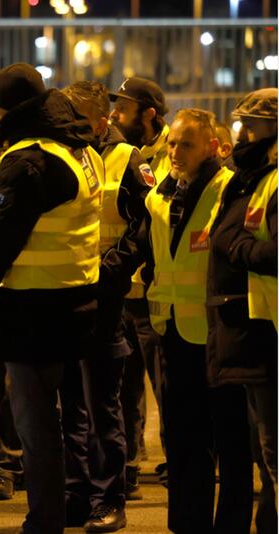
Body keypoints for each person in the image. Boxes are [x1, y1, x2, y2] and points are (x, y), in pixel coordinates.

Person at [0, 63, 101, 534]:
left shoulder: (27, 162)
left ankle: (45, 520)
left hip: (34, 316)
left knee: (36, 430)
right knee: (77, 421)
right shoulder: (79, 150)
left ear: (3, 110)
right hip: (80, 306)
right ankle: (77, 503)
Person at [142, 108, 250, 533]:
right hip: (174, 332)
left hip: (220, 332)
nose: (174, 152)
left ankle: (232, 525)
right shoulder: (160, 196)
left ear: (211, 147)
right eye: (172, 143)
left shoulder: (228, 190)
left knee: (230, 439)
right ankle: (187, 523)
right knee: (184, 439)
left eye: (186, 144)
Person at [61, 80, 153, 532]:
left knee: (103, 406)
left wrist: (111, 270)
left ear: (99, 121)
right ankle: (76, 495)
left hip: (104, 299)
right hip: (63, 296)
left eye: (73, 116)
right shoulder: (63, 154)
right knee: (70, 407)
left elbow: (145, 225)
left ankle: (108, 500)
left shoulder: (127, 158)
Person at [207, 89, 277, 525]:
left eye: (250, 124)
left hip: (268, 330)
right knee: (263, 449)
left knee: (273, 449)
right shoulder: (249, 175)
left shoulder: (271, 179)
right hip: (250, 331)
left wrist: (236, 246)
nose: (242, 133)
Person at [108, 76, 169, 488]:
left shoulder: (174, 152)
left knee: (168, 388)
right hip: (122, 291)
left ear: (148, 114)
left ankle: (181, 460)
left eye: (123, 108)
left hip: (159, 293)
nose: (115, 114)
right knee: (124, 389)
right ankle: (127, 465)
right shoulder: (122, 154)